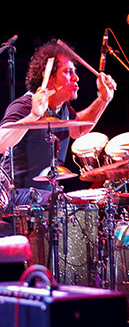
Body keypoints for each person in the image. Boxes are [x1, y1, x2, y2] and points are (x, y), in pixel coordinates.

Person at [0, 39, 117, 206]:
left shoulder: (63, 109)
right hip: (12, 194)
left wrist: (104, 99)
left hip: (43, 195)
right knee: (60, 202)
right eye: (68, 72)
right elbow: (1, 143)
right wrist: (33, 116)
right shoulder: (24, 106)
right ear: (49, 77)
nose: (76, 78)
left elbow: (78, 130)